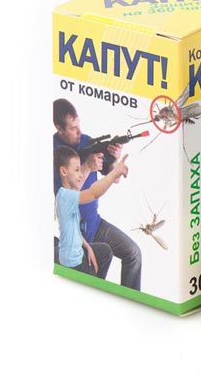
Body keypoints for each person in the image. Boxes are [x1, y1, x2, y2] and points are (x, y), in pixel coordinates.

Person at [53, 98, 142, 290]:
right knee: (92, 281)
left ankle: (132, 300)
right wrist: (87, 166)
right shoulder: (54, 153)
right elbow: (69, 195)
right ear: (59, 128)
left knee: (133, 253)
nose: (79, 131)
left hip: (95, 223)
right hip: (75, 234)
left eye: (79, 125)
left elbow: (113, 176)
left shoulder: (86, 141)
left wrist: (114, 161)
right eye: (73, 128)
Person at [54, 146, 128, 277]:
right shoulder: (65, 197)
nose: (80, 174)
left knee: (105, 251)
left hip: (75, 253)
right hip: (72, 263)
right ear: (64, 172)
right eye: (77, 170)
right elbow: (93, 193)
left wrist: (88, 247)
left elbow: (73, 231)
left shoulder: (68, 195)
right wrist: (115, 173)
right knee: (97, 265)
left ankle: (95, 280)